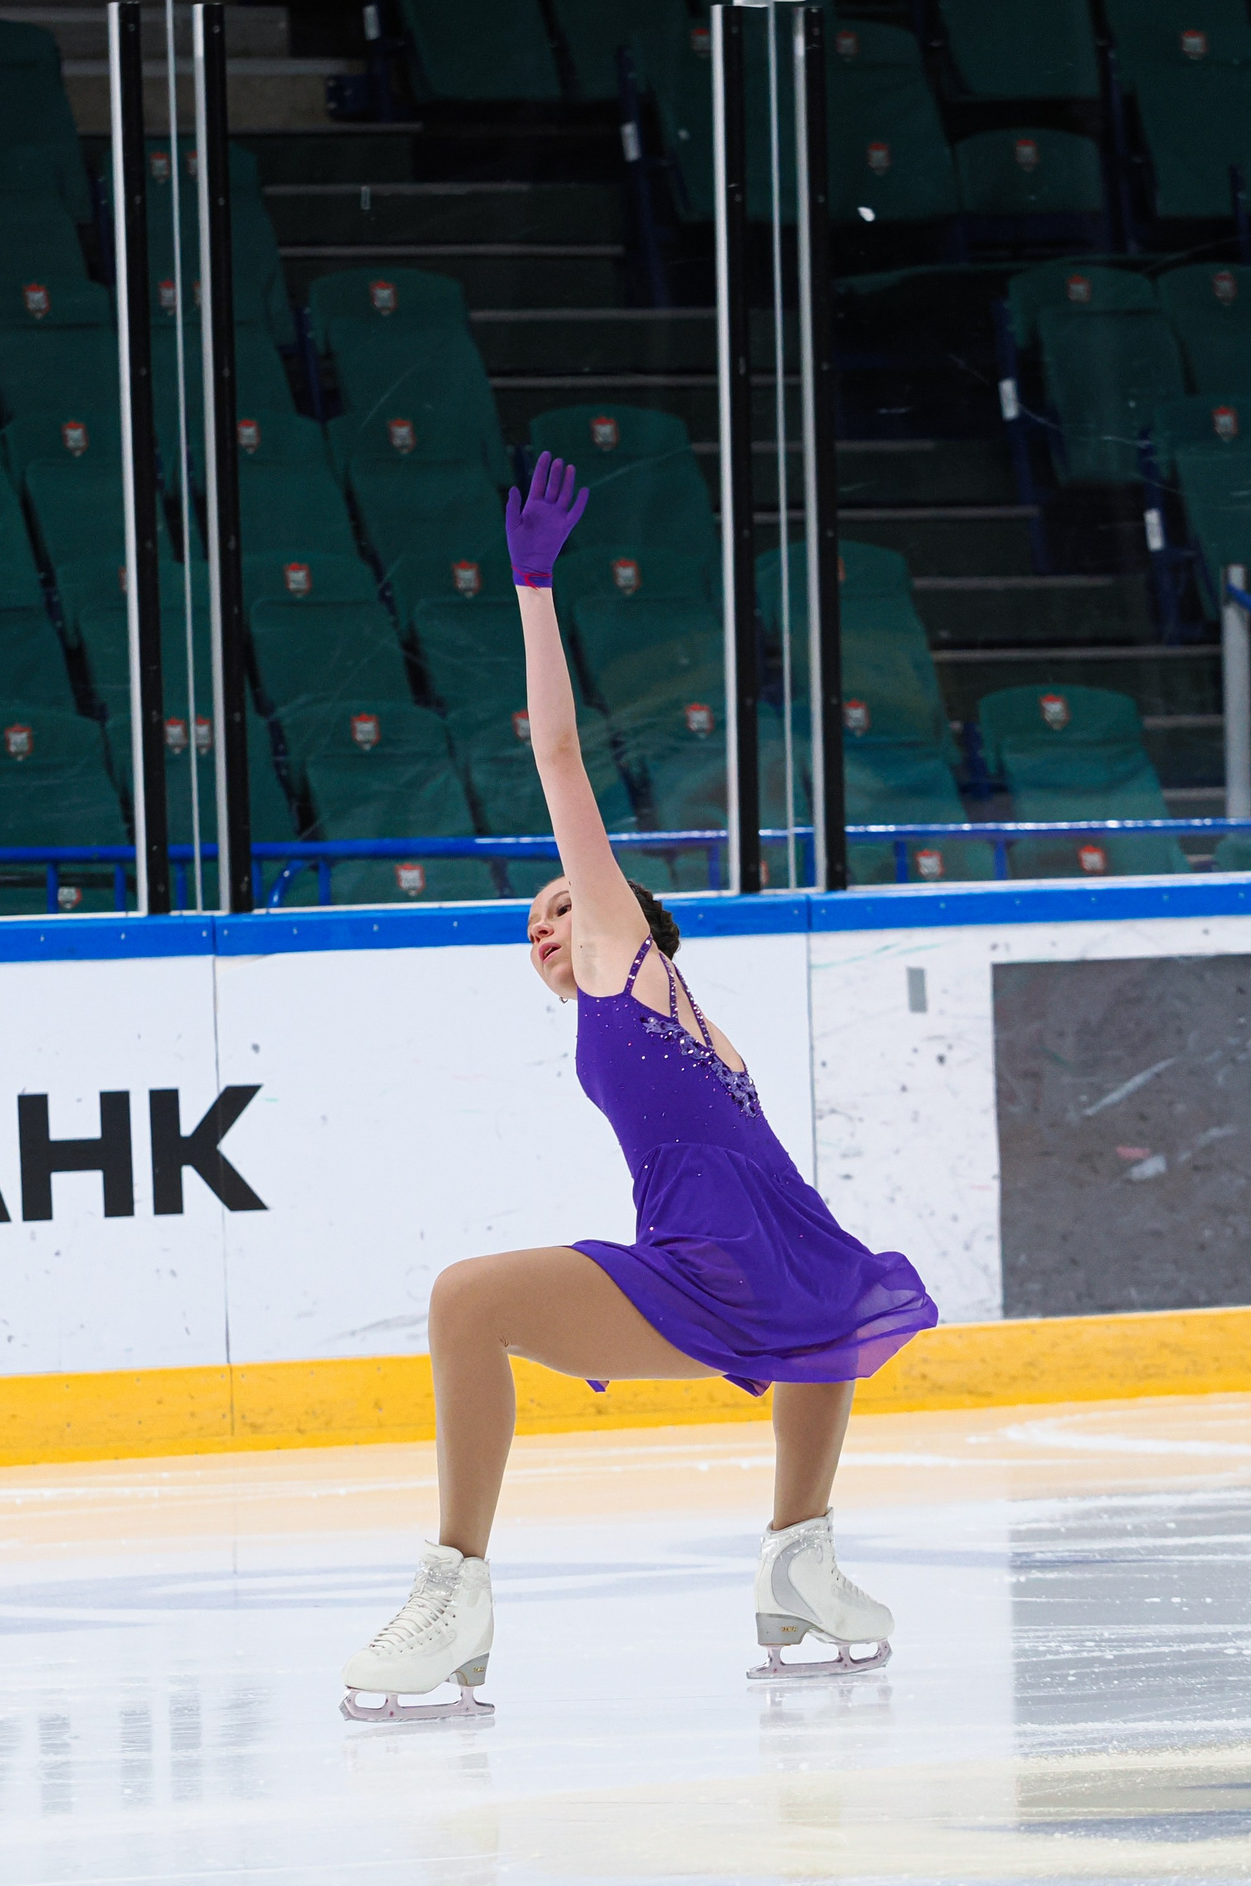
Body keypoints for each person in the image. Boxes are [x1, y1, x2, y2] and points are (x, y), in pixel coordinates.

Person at [339, 453, 941, 1723]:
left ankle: (456, 1590)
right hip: (747, 1253)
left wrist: (532, 589)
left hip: (721, 1252)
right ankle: (800, 1562)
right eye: (536, 922)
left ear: (626, 920)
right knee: (818, 1322)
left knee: (464, 1302)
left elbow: (558, 757)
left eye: (563, 905)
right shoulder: (686, 1022)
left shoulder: (634, 962)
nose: (546, 926)